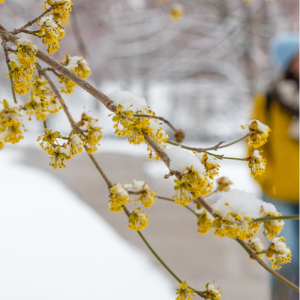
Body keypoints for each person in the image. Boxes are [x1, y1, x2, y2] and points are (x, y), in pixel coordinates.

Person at [251, 33, 299, 300]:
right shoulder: (268, 101)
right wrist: (266, 179)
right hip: (278, 194)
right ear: (288, 62)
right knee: (285, 257)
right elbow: (254, 147)